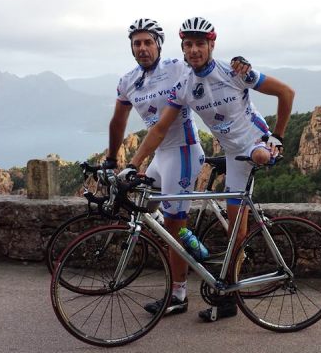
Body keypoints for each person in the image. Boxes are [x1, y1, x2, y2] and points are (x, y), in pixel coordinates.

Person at [122, 16, 295, 322]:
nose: (194, 50)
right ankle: (220, 280)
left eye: (200, 44)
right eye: (188, 45)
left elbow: (287, 93)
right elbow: (160, 129)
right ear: (182, 48)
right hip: (229, 153)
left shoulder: (236, 71)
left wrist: (277, 136)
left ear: (211, 45)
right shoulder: (185, 84)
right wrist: (132, 164)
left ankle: (229, 297)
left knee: (239, 223)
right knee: (228, 228)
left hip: (254, 145)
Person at [103, 18, 251, 317]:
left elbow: (206, 63)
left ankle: (179, 294)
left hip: (183, 152)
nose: (142, 48)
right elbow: (118, 122)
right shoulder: (128, 80)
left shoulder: (177, 67)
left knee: (172, 226)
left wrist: (240, 64)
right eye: (137, 43)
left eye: (148, 42)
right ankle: (192, 244)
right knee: (145, 208)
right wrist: (112, 158)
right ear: (131, 48)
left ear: (158, 44)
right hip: (160, 156)